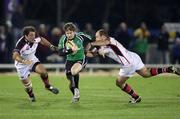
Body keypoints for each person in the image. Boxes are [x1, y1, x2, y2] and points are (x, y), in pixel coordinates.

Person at [90, 29, 180, 103]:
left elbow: (105, 44)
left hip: (128, 63)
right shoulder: (101, 44)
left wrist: (92, 44)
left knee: (119, 83)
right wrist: (83, 52)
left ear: (103, 36)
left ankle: (135, 97)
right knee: (146, 74)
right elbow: (93, 53)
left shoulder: (109, 40)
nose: (95, 38)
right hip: (133, 56)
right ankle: (168, 69)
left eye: (97, 36)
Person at [12, 26, 59, 102]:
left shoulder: (35, 37)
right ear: (25, 36)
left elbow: (41, 39)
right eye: (31, 35)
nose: (33, 37)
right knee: (28, 86)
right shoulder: (21, 43)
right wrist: (24, 61)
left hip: (32, 59)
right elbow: (15, 56)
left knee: (43, 72)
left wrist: (51, 46)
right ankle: (31, 96)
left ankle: (47, 86)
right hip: (21, 64)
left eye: (34, 35)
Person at [58, 22, 93, 103]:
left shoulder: (80, 36)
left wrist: (89, 48)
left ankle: (76, 89)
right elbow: (60, 53)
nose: (69, 35)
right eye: (67, 33)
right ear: (65, 33)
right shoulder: (63, 39)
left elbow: (92, 39)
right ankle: (76, 95)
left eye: (71, 32)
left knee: (74, 71)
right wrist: (71, 50)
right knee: (70, 80)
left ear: (74, 31)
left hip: (80, 59)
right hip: (69, 60)